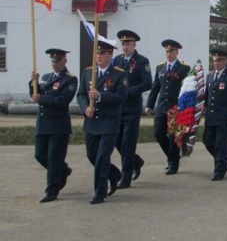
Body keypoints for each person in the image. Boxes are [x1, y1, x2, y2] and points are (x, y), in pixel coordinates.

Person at [77, 41, 127, 204]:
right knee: (92, 155)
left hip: (109, 122)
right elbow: (81, 95)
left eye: (102, 53)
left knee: (102, 158)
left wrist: (100, 96)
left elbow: (121, 97)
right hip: (92, 122)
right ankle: (114, 174)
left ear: (109, 55)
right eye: (97, 53)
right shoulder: (88, 72)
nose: (98, 56)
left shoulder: (119, 74)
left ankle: (100, 191)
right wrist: (85, 108)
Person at [30, 48, 78, 203]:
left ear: (64, 60)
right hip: (43, 124)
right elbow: (34, 95)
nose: (54, 64)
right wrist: (33, 82)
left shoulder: (70, 79)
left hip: (58, 125)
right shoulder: (46, 77)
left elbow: (63, 101)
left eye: (57, 61)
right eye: (52, 61)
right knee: (40, 155)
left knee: (54, 158)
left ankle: (52, 190)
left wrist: (41, 98)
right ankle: (63, 170)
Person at [113, 30, 152, 188]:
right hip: (117, 108)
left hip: (132, 108)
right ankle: (135, 161)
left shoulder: (142, 61)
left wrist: (128, 92)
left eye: (128, 43)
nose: (125, 46)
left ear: (134, 44)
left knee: (128, 142)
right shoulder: (116, 60)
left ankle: (126, 176)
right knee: (116, 140)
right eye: (123, 44)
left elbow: (147, 83)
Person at [145, 39, 190, 174]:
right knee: (158, 133)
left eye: (172, 51)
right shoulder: (160, 67)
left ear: (177, 52)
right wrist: (149, 105)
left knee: (173, 137)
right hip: (161, 106)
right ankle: (172, 157)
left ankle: (173, 164)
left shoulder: (184, 68)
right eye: (167, 51)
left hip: (176, 107)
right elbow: (155, 88)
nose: (169, 54)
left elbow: (187, 89)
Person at [202, 49, 227, 181]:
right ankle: (224, 158)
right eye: (214, 60)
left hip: (224, 117)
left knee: (221, 144)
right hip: (211, 116)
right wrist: (203, 107)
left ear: (225, 61)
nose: (216, 63)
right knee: (207, 141)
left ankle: (219, 170)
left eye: (219, 60)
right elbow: (207, 96)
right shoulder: (210, 76)